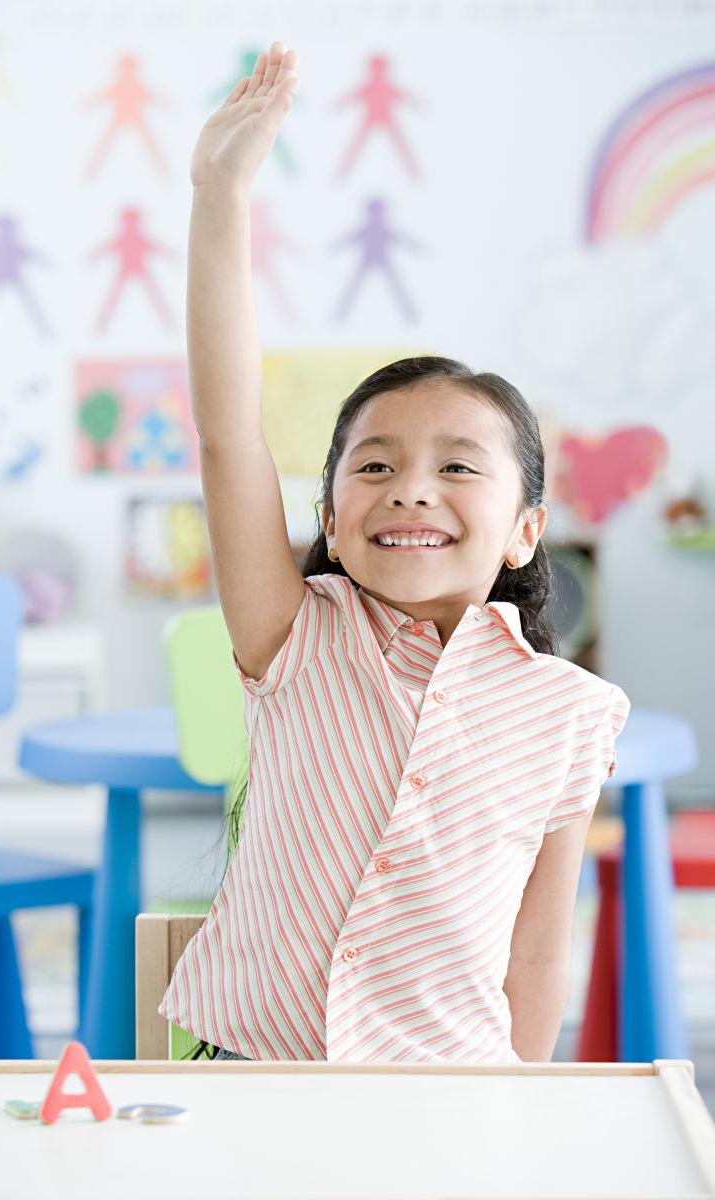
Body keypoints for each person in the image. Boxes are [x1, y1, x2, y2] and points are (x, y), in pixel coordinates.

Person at [159, 41, 630, 1065]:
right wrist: (218, 194)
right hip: (256, 1079)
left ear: (524, 530)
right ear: (330, 519)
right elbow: (229, 429)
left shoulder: (569, 713)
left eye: (458, 468)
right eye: (371, 468)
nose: (410, 486)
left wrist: (520, 1105)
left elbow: (538, 952)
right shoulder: (293, 634)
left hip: (448, 1099)